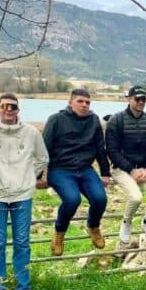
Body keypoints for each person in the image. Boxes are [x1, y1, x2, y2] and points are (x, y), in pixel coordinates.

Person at [0, 92, 48, 290]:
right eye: (4, 107)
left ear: (18, 110)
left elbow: (42, 158)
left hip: (22, 194)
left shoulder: (31, 133)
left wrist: (30, 177)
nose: (8, 110)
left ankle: (23, 287)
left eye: (13, 107)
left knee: (22, 241)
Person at [42, 87, 110, 255]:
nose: (84, 105)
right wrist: (40, 176)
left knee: (100, 199)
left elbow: (100, 148)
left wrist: (105, 172)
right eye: (80, 101)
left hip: (85, 169)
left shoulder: (93, 120)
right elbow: (44, 149)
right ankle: (59, 233)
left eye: (87, 102)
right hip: (60, 169)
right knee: (72, 200)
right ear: (70, 102)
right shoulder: (56, 119)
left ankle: (93, 227)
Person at [105, 85, 146, 250]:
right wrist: (131, 170)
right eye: (137, 99)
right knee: (136, 198)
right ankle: (126, 221)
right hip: (121, 169)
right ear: (129, 99)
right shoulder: (116, 120)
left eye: (144, 99)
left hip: (143, 169)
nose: (141, 102)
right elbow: (112, 151)